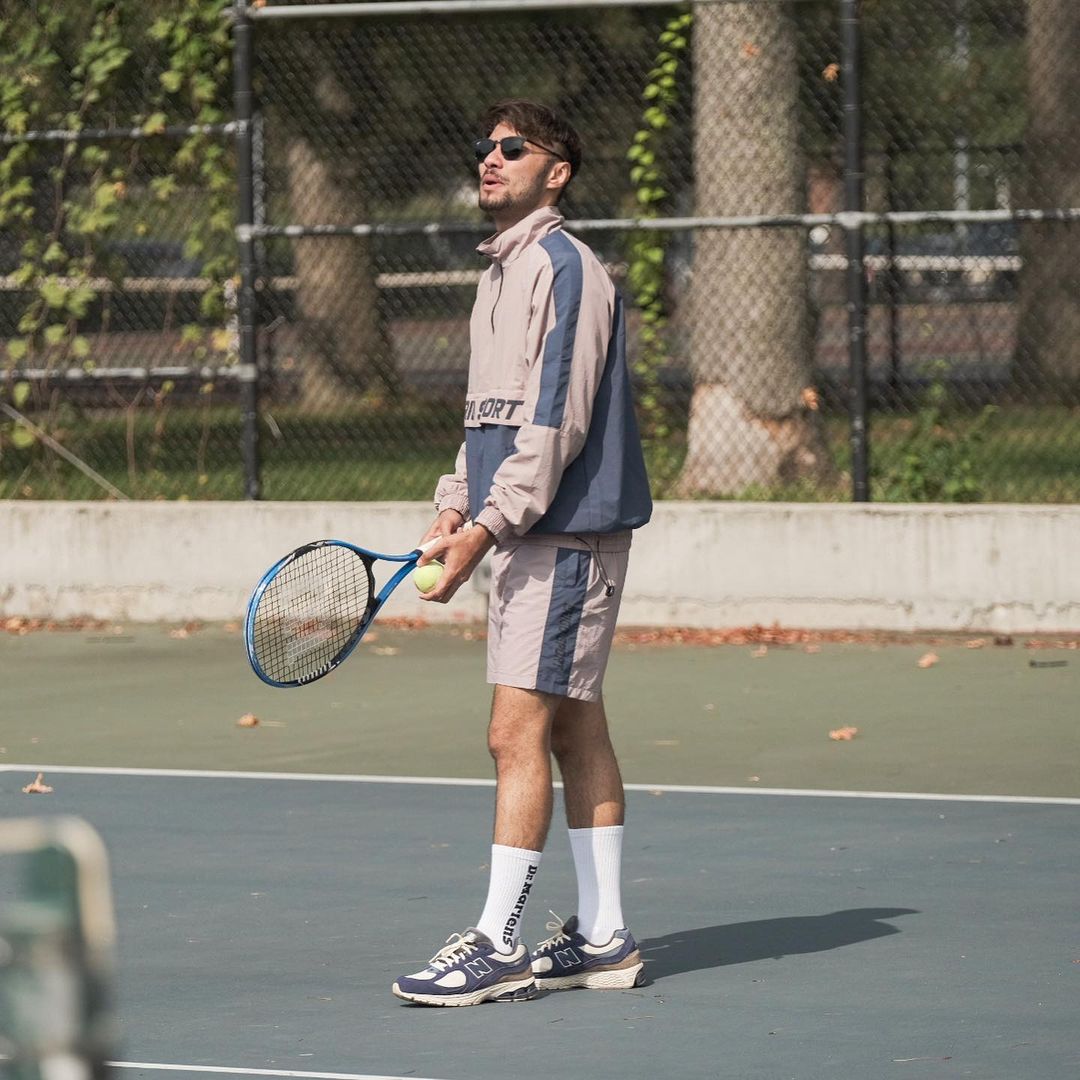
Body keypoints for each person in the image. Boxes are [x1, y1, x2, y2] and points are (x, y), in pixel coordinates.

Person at [391, 100, 652, 1007]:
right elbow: (488, 419)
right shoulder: (497, 274)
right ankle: (605, 937)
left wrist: (483, 530)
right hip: (528, 531)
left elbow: (554, 425)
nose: (491, 159)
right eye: (485, 147)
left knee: (514, 733)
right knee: (574, 726)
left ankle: (498, 944)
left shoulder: (566, 269)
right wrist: (453, 505)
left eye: (513, 147)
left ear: (557, 172)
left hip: (566, 534)